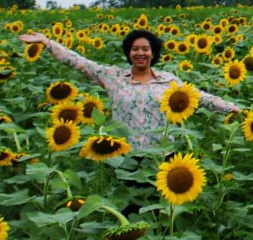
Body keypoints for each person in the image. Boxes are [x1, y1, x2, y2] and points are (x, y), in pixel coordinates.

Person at [18, 29, 241, 152]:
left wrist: (232, 108)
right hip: (124, 155)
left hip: (161, 156)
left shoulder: (168, 81)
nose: (140, 53)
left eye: (146, 49)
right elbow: (79, 62)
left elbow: (200, 97)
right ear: (128, 53)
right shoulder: (113, 76)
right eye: (135, 49)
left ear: (154, 54)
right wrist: (47, 43)